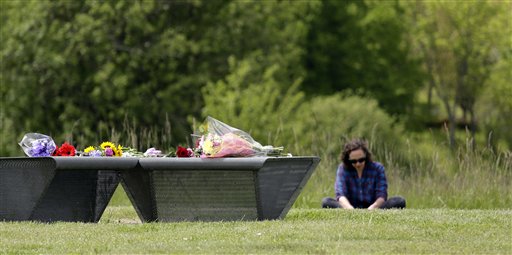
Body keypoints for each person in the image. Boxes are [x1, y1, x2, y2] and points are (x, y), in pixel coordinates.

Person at [322, 138, 406, 210]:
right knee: (326, 202)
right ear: (348, 160)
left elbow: (382, 195)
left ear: (366, 157)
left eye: (361, 160)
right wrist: (350, 210)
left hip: (375, 208)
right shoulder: (343, 169)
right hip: (349, 208)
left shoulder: (378, 168)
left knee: (399, 201)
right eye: (354, 161)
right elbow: (340, 194)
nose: (358, 164)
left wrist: (372, 208)